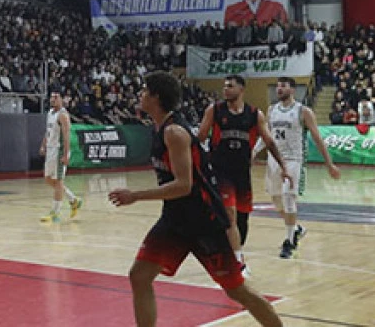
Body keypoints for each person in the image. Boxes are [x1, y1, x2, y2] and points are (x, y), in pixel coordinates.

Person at [109, 71, 284, 327]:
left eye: (145, 90)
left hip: (205, 221)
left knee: (237, 291)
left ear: (156, 97)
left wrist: (135, 196)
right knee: (139, 275)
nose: (140, 94)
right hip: (175, 220)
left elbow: (183, 185)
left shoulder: (175, 133)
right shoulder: (159, 129)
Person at [198, 74, 291, 271]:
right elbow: (199, 138)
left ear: (241, 89)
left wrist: (284, 167)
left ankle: (231, 251)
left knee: (241, 221)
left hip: (241, 173)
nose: (225, 89)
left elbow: (269, 142)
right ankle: (238, 263)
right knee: (229, 215)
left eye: (230, 86)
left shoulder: (254, 114)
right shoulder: (214, 111)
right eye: (224, 86)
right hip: (220, 171)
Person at [265, 77, 340, 258]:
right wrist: (252, 153)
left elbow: (317, 138)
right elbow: (266, 136)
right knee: (276, 201)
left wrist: (329, 163)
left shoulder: (303, 111)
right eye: (277, 86)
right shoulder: (271, 110)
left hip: (293, 160)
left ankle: (289, 242)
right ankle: (296, 229)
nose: (279, 89)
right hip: (274, 159)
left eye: (283, 86)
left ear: (293, 90)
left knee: (288, 198)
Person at [39, 90, 82, 223]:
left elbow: (66, 136)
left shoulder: (63, 115)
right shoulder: (50, 113)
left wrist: (65, 154)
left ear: (62, 99)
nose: (52, 99)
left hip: (59, 151)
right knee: (48, 179)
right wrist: (43, 145)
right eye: (51, 97)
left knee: (58, 182)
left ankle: (55, 213)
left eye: (56, 97)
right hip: (51, 150)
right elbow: (48, 132)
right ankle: (73, 200)